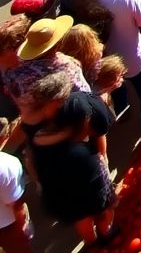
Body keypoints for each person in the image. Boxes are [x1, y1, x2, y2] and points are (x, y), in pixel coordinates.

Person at [26, 78, 117, 247]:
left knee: (80, 213)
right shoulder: (77, 107)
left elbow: (30, 156)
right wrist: (102, 157)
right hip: (84, 170)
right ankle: (105, 233)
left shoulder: (32, 122)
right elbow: (99, 130)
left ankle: (91, 242)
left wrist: (39, 181)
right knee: (102, 206)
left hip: (57, 178)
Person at [88, 0, 141, 141]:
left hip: (107, 61)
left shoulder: (85, 4)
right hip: (135, 56)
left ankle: (122, 111)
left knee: (116, 87)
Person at [0, 116, 31, 253]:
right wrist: (23, 228)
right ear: (4, 137)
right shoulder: (7, 164)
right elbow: (17, 204)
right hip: (6, 225)